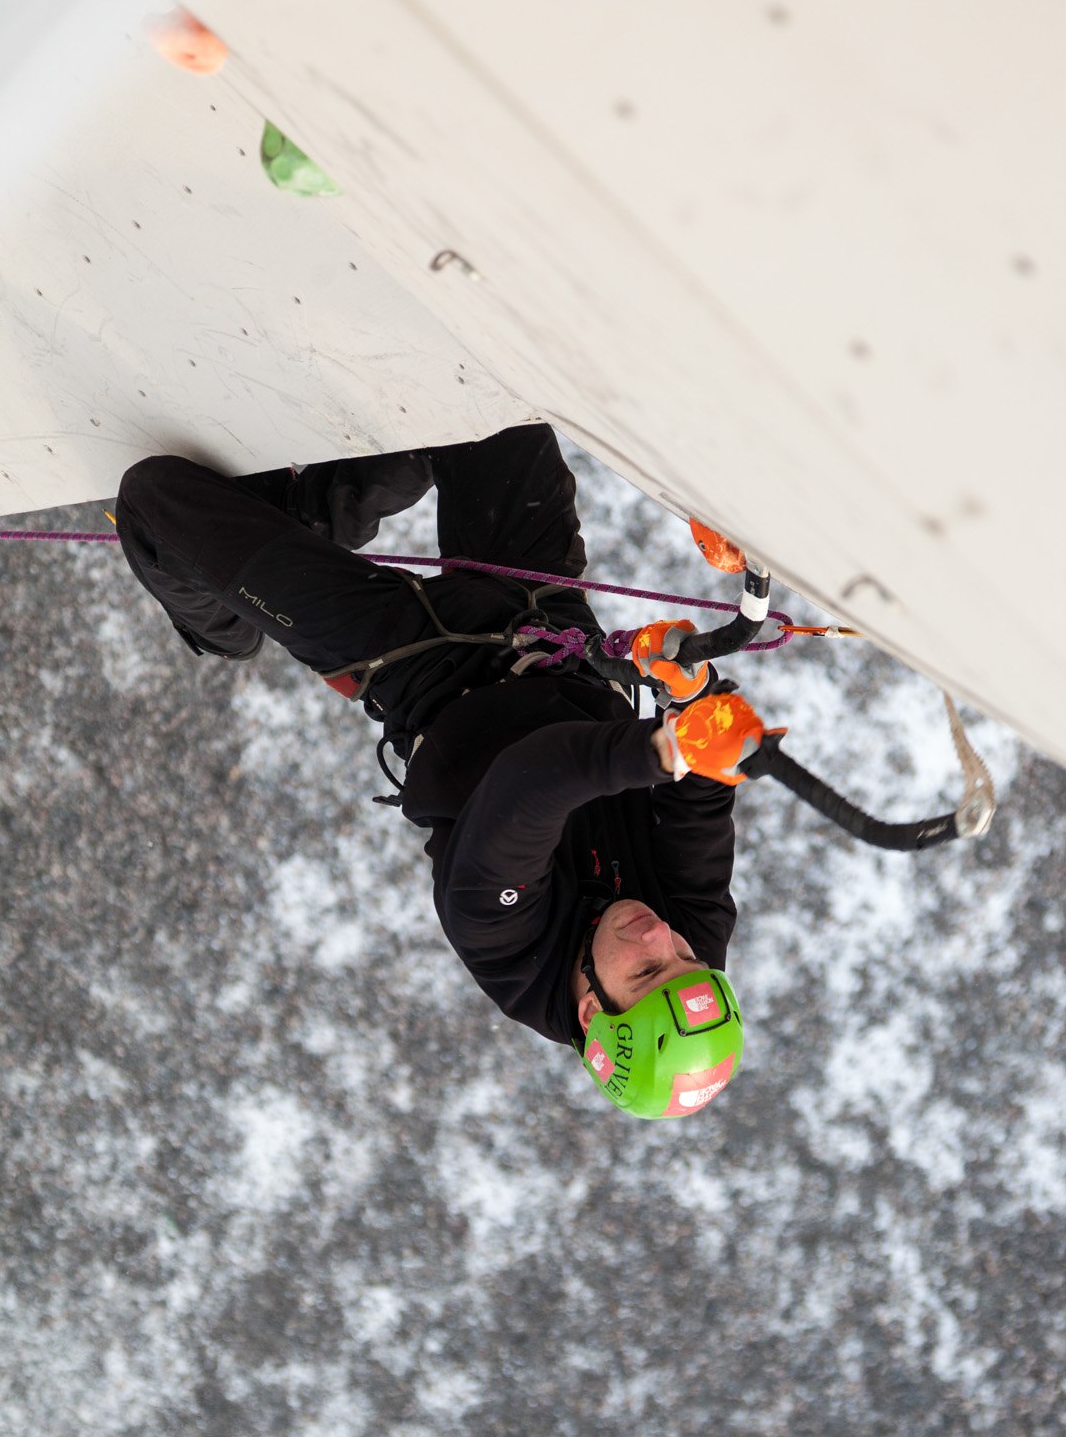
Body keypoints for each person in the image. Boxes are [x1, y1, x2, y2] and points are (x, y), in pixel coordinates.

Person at [114, 424, 762, 1117]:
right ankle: (297, 520)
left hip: (414, 660)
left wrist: (658, 750)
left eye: (644, 970)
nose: (660, 936)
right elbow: (698, 808)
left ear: (588, 1010)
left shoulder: (505, 944)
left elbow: (526, 788)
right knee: (483, 405)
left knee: (156, 504)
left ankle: (228, 620)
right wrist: (696, 696)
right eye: (685, 957)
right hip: (545, 624)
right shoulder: (690, 935)